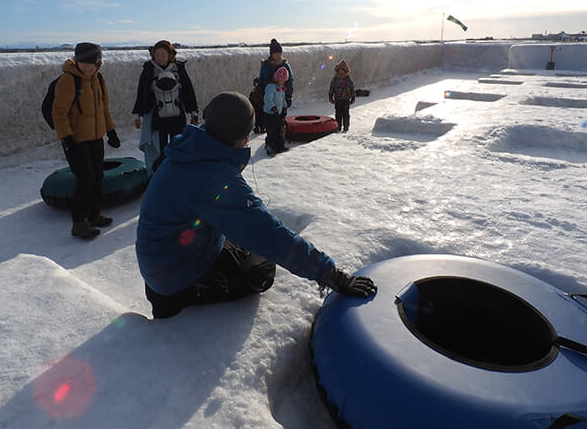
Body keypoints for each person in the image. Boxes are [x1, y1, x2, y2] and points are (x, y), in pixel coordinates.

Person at [135, 91, 377, 319]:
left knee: (247, 244)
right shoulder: (212, 176)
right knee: (262, 269)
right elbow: (268, 233)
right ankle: (196, 298)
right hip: (174, 281)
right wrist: (331, 275)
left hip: (166, 259)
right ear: (242, 135)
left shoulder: (193, 148)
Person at [52, 42, 121, 239]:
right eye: (84, 63)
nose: (88, 67)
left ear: (99, 63)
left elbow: (103, 109)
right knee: (86, 179)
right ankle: (79, 222)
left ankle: (94, 214)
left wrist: (111, 131)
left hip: (95, 137)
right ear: (76, 60)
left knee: (98, 175)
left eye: (92, 63)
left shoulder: (98, 79)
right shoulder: (68, 80)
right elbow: (59, 112)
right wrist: (67, 137)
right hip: (76, 139)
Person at [131, 40, 199, 174]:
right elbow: (142, 92)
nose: (160, 58)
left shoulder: (178, 68)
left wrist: (193, 112)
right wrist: (137, 115)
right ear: (153, 55)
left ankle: (179, 171)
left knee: (178, 145)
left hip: (177, 115)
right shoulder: (149, 69)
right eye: (157, 55)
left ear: (170, 55)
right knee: (160, 148)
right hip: (158, 116)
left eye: (163, 55)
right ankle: (160, 173)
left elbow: (188, 91)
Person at [263, 66, 290, 156]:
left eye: (284, 80)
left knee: (280, 130)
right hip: (270, 114)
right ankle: (270, 147)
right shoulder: (271, 87)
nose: (283, 81)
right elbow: (268, 99)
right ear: (277, 78)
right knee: (272, 131)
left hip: (278, 113)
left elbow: (282, 99)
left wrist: (285, 107)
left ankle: (280, 145)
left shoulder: (282, 88)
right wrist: (273, 108)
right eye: (281, 79)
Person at [328, 59, 355, 132]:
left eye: (342, 70)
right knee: (339, 114)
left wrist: (353, 97)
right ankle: (338, 126)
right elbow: (332, 88)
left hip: (345, 99)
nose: (341, 71)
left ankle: (345, 127)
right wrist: (330, 96)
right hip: (338, 99)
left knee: (345, 114)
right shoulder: (336, 79)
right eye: (340, 70)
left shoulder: (347, 79)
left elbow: (352, 88)